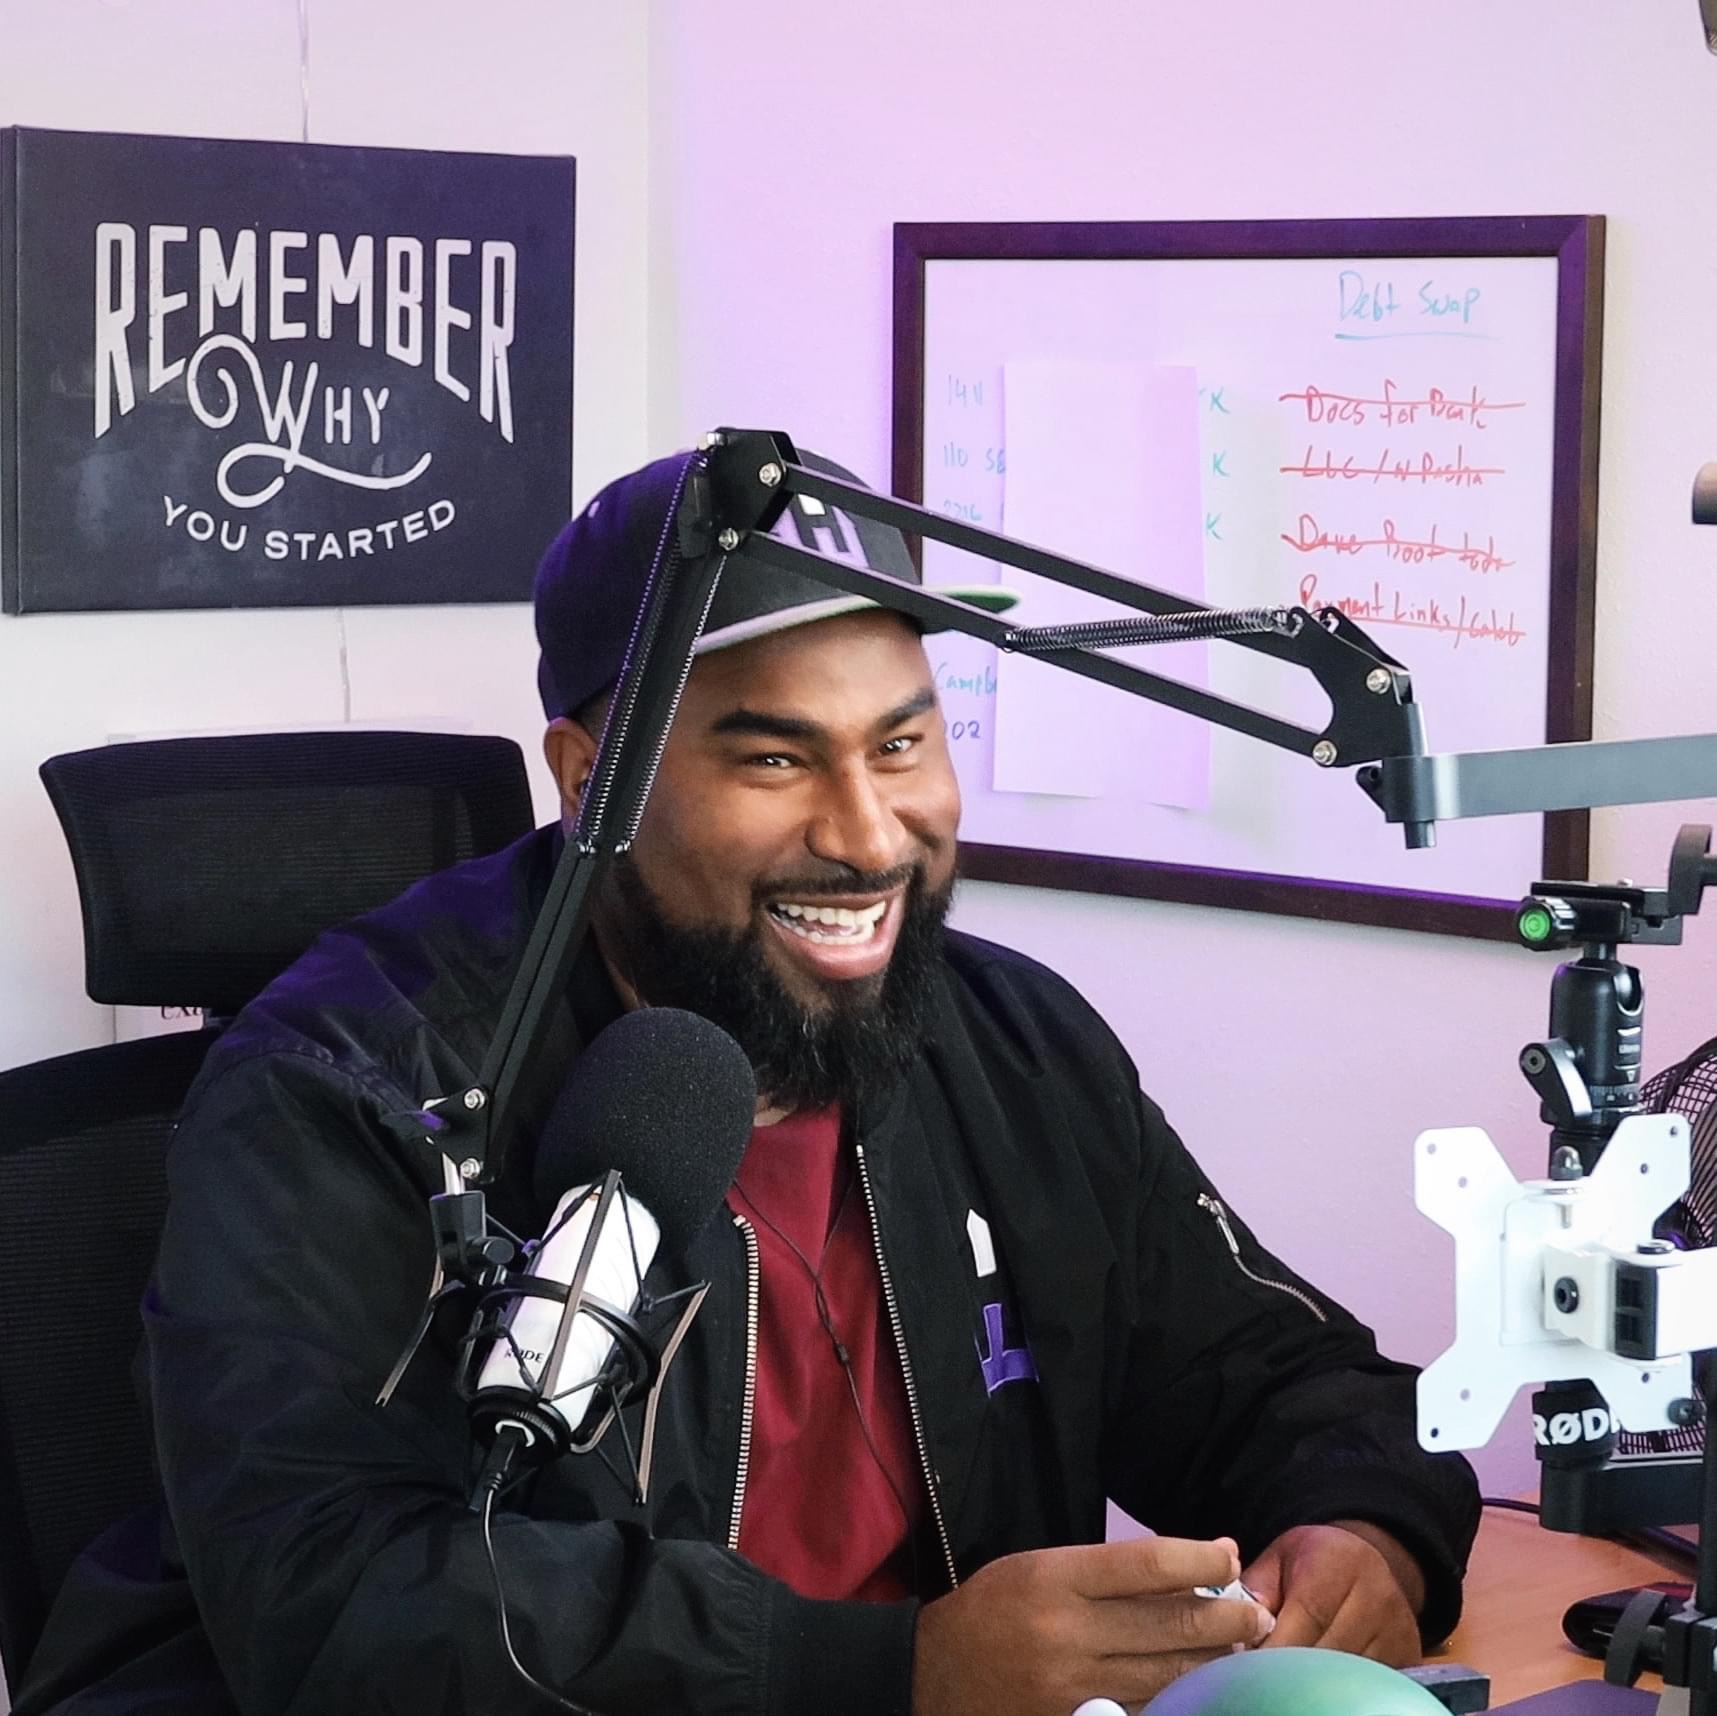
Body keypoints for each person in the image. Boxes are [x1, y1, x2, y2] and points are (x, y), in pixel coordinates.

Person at [18, 448, 1479, 1716]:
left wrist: (1366, 1529)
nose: (868, 835)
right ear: (593, 777)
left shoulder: (1008, 1041)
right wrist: (884, 1679)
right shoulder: (351, 1089)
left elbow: (1273, 1376)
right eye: (778, 758)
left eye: (901, 744)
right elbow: (330, 1592)